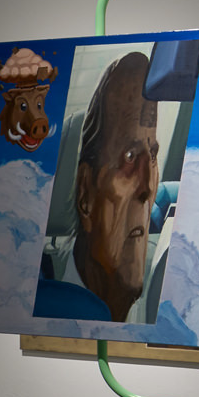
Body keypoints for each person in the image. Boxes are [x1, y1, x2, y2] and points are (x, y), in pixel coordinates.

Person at [40, 52, 163, 323]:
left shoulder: (164, 287)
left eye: (152, 155)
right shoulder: (41, 301)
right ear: (85, 194)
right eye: (129, 157)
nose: (147, 188)